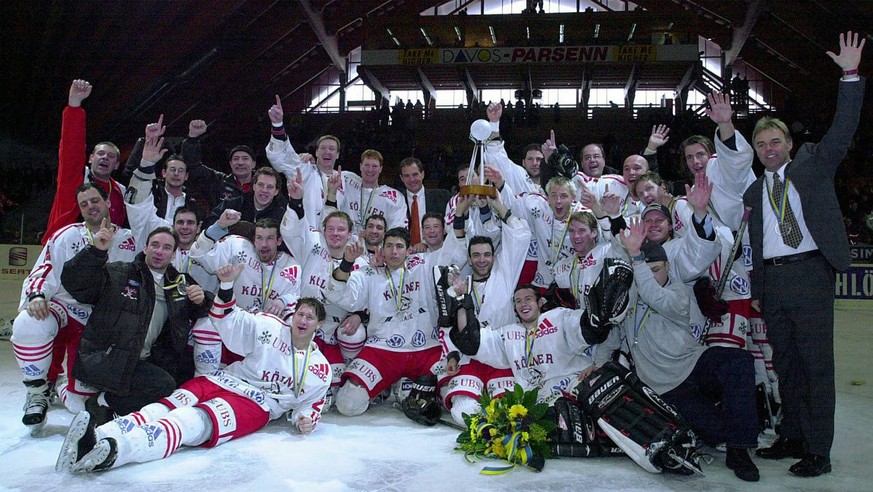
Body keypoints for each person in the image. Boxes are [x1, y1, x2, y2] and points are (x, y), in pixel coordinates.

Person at [56, 264, 330, 474]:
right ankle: (97, 436)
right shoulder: (270, 326)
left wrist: (304, 418)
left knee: (188, 421)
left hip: (257, 404)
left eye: (310, 317)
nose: (303, 320)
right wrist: (225, 286)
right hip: (225, 380)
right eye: (300, 314)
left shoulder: (319, 369)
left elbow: (311, 403)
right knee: (166, 406)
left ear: (318, 325)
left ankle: (117, 451)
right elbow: (230, 319)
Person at [743, 32, 865, 478]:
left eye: (775, 142)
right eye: (762, 145)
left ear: (788, 144)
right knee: (786, 367)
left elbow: (844, 128)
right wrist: (757, 289)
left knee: (816, 368)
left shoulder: (814, 162)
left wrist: (849, 75)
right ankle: (791, 435)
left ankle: (819, 450)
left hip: (810, 275)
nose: (769, 149)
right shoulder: (756, 190)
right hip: (773, 282)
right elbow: (755, 246)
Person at [596, 221, 760, 482]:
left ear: (668, 267)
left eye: (657, 270)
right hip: (666, 389)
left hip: (694, 365)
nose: (651, 276)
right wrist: (597, 368)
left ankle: (740, 450)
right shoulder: (630, 299)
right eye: (646, 271)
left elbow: (655, 298)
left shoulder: (678, 292)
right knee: (716, 433)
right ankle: (735, 424)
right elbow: (611, 338)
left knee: (738, 361)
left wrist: (637, 259)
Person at [12, 184, 138, 432]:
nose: (91, 207)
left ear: (107, 203)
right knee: (28, 322)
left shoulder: (130, 239)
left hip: (102, 321)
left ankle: (60, 386)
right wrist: (37, 295)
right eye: (84, 204)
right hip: (65, 309)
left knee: (82, 403)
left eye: (95, 201)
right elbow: (45, 268)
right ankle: (37, 392)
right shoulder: (66, 235)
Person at [61, 224, 213, 428]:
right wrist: (95, 252)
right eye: (155, 245)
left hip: (144, 360)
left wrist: (202, 299)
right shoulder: (119, 273)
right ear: (145, 248)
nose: (160, 251)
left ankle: (110, 400)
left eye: (167, 248)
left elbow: (204, 310)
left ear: (174, 253)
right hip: (110, 358)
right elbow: (76, 284)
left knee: (175, 389)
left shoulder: (179, 283)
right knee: (163, 387)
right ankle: (102, 402)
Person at [324, 226, 466, 417]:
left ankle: (405, 385)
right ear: (381, 250)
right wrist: (347, 263)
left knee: (454, 397)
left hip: (426, 348)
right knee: (347, 405)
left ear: (409, 251)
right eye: (389, 246)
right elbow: (338, 295)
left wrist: (458, 216)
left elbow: (454, 254)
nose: (394, 251)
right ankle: (389, 385)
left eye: (399, 246)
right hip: (383, 350)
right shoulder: (370, 273)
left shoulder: (424, 265)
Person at [437, 192, 530, 426]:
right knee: (464, 413)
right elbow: (448, 323)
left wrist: (496, 203)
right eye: (476, 255)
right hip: (468, 356)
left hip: (501, 355)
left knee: (508, 413)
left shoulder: (505, 276)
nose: (482, 260)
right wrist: (452, 354)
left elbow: (519, 236)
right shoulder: (459, 284)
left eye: (487, 254)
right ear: (468, 257)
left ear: (494, 257)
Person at [281, 169, 370, 397]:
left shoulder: (360, 262)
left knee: (355, 336)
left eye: (341, 230)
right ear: (324, 231)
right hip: (306, 326)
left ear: (351, 233)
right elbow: (291, 231)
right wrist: (296, 200)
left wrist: (359, 314)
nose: (335, 234)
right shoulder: (314, 247)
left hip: (334, 329)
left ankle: (351, 369)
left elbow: (353, 301)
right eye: (330, 229)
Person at [42, 80, 127, 243]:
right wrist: (74, 106)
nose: (104, 158)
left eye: (110, 156)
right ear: (90, 158)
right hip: (67, 251)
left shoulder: (120, 191)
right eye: (100, 154)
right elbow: (71, 148)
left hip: (108, 255)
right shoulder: (75, 179)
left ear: (116, 165)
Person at [266, 95, 341, 229]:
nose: (327, 152)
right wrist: (277, 124)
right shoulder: (304, 169)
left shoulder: (346, 179)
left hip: (335, 240)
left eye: (332, 149)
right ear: (316, 152)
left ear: (338, 154)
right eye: (323, 148)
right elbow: (279, 157)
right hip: (304, 237)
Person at [179, 118, 259, 212]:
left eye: (245, 158)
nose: (240, 162)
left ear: (254, 164)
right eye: (236, 159)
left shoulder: (264, 185)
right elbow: (193, 167)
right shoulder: (217, 181)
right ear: (230, 164)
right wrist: (192, 138)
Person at [337, 149, 407, 234]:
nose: (370, 170)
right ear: (360, 166)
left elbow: (396, 229)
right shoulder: (347, 180)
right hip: (346, 242)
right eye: (366, 165)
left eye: (374, 166)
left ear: (381, 169)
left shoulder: (394, 197)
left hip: (376, 245)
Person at [204, 167, 287, 229]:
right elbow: (208, 223)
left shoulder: (282, 215)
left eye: (270, 187)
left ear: (276, 191)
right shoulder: (235, 203)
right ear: (254, 186)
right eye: (260, 185)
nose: (264, 190)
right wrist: (221, 224)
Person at [399, 157, 452, 247]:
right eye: (407, 176)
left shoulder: (443, 196)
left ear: (422, 174)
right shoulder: (397, 201)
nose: (411, 179)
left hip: (437, 253)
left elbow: (451, 230)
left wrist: (427, 244)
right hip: (405, 254)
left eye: (415, 174)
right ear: (401, 178)